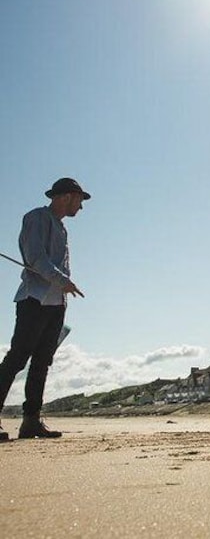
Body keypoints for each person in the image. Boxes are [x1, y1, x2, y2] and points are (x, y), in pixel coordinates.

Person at [0, 178, 90, 441]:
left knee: (42, 363)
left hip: (56, 304)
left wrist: (63, 289)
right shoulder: (37, 218)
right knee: (17, 358)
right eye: (79, 200)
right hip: (34, 300)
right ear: (65, 197)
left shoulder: (62, 228)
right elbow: (36, 259)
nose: (80, 207)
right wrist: (64, 282)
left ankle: (31, 422)